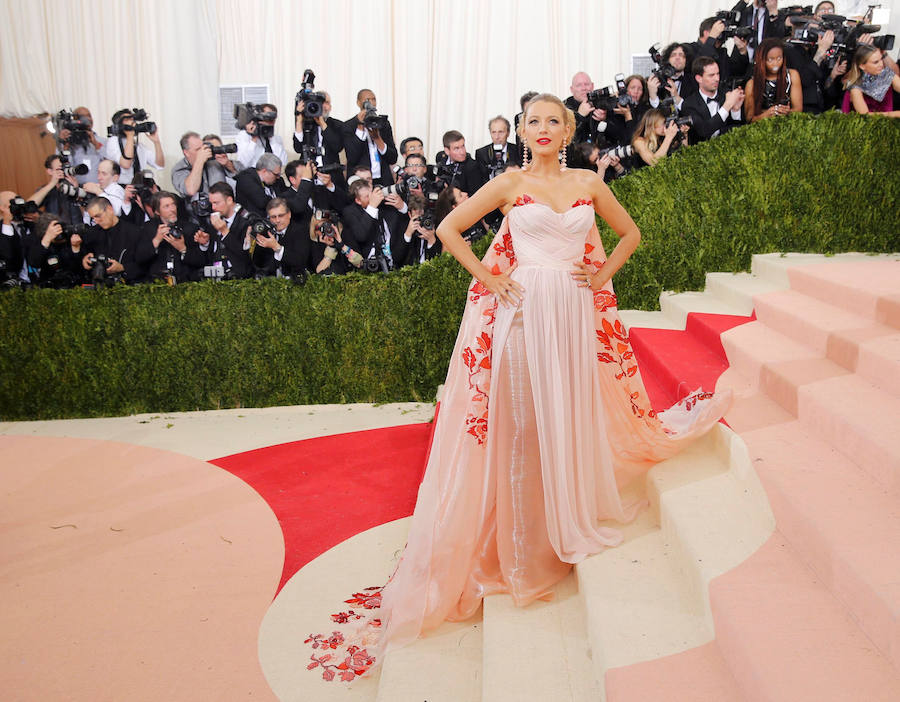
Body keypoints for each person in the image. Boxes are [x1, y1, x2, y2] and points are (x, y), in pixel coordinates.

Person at [303, 94, 730, 679]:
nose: (544, 129)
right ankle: (526, 541)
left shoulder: (588, 181)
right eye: (534, 122)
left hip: (575, 311)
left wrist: (599, 275)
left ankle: (567, 516)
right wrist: (492, 277)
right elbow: (451, 230)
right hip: (523, 310)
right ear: (522, 132)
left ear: (569, 128)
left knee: (568, 412)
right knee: (525, 419)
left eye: (555, 120)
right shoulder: (507, 181)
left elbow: (629, 235)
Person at [681, 56, 746, 144]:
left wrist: (735, 111)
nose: (717, 79)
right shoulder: (689, 104)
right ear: (699, 78)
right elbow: (704, 131)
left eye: (718, 74)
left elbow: (740, 130)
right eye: (711, 75)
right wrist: (727, 106)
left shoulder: (726, 94)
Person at [745, 38, 804, 122]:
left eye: (779, 58)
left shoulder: (792, 75)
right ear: (762, 60)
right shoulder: (751, 84)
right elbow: (749, 119)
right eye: (770, 59)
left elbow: (798, 109)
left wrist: (786, 112)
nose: (776, 63)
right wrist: (767, 114)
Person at [841, 44, 900, 116]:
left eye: (881, 59)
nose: (881, 64)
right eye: (875, 62)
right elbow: (865, 115)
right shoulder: (855, 87)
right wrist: (895, 114)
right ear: (862, 66)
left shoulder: (887, 75)